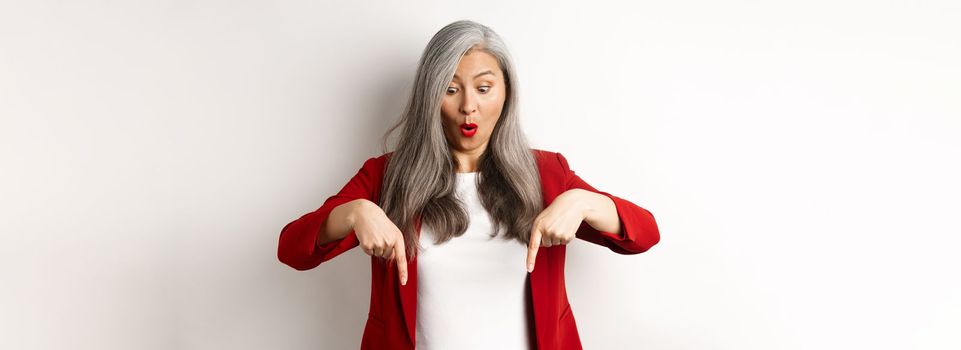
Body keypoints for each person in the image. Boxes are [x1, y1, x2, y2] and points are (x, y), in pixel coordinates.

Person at [277, 20, 660, 350]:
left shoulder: (547, 173)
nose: (468, 107)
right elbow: (293, 249)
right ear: (430, 97)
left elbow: (645, 234)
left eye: (483, 87)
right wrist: (355, 213)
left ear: (506, 92)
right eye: (450, 89)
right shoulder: (386, 176)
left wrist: (584, 203)